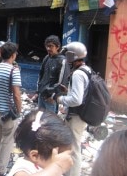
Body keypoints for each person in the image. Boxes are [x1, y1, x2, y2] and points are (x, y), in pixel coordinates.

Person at [55, 41, 90, 176]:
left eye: (67, 55)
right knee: (72, 147)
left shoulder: (77, 74)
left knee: (74, 149)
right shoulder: (86, 69)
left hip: (76, 116)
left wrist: (60, 99)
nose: (66, 59)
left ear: (73, 56)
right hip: (81, 115)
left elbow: (76, 99)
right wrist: (68, 91)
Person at [8, 109, 74, 176]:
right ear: (35, 155)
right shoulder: (22, 170)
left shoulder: (47, 167)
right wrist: (58, 167)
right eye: (60, 158)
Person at [0, 41, 22, 176]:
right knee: (7, 141)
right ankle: (0, 169)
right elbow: (16, 94)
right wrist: (19, 111)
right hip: (8, 112)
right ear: (13, 55)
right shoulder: (13, 71)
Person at [36, 35, 70, 113]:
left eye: (51, 46)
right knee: (40, 120)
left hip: (50, 98)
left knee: (50, 122)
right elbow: (41, 75)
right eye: (47, 46)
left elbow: (62, 82)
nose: (48, 49)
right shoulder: (46, 58)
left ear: (57, 47)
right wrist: (38, 92)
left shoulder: (62, 61)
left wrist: (53, 96)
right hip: (42, 95)